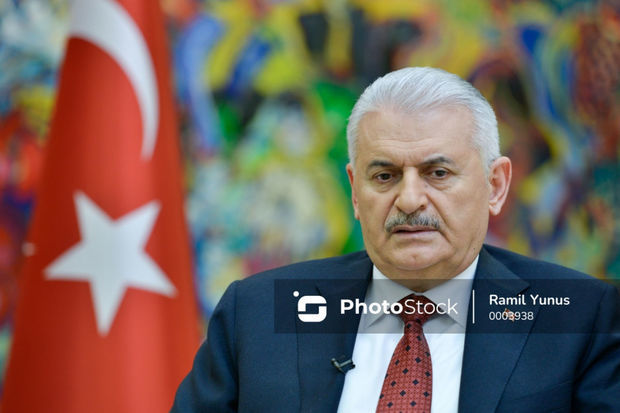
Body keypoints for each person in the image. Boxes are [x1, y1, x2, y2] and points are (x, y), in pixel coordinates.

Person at [171, 67, 620, 412]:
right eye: (384, 176)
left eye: (437, 173)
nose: (408, 199)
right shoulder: (257, 314)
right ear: (355, 191)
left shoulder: (583, 319)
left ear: (496, 185)